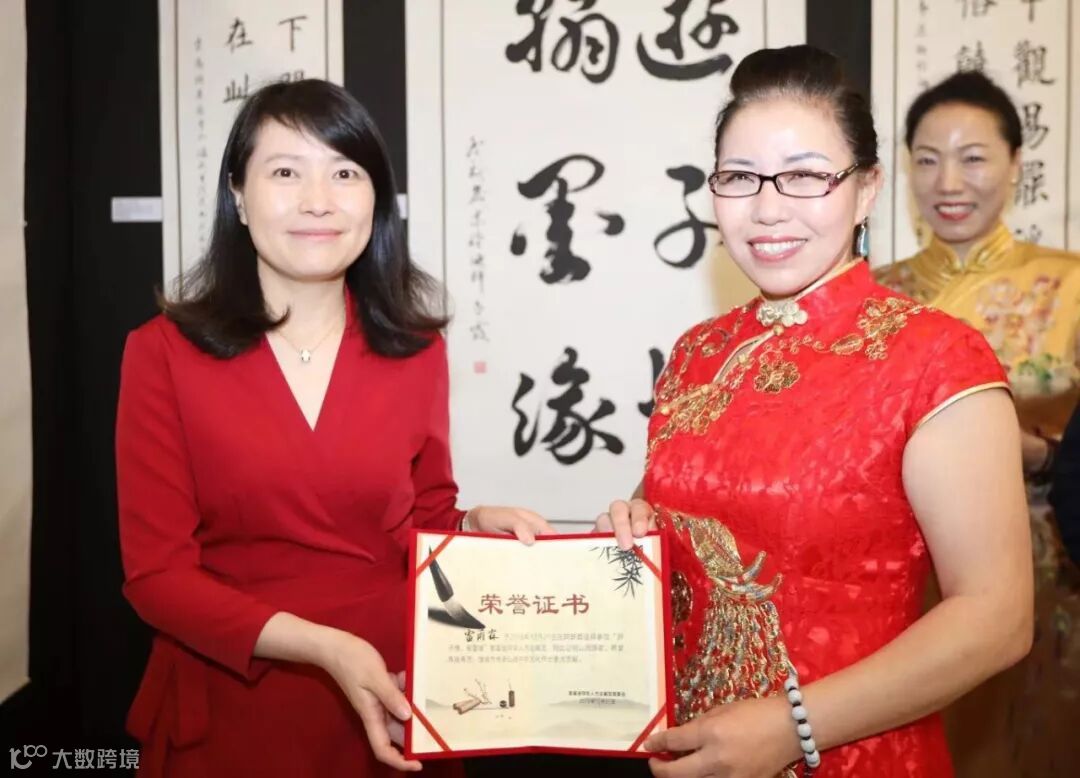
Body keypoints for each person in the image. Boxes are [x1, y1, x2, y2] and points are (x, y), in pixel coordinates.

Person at [598, 46, 1032, 777]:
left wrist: (792, 725)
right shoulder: (699, 351)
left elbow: (997, 617)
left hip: (856, 756)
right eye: (739, 177)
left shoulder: (935, 358)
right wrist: (631, 528)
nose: (768, 208)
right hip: (688, 754)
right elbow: (683, 517)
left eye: (804, 175)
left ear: (866, 190)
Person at [116, 79, 552, 778]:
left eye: (345, 173)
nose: (318, 200)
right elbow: (156, 577)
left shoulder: (416, 349)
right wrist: (323, 646)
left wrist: (470, 527)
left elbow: (422, 517)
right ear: (238, 195)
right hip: (238, 702)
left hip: (395, 692)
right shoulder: (163, 353)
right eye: (286, 172)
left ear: (376, 198)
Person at [875, 70, 1080, 777]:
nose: (949, 183)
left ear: (1016, 163)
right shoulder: (874, 295)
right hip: (898, 577)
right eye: (928, 160)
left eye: (973, 158)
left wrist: (1034, 452)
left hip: (1045, 574)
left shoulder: (1069, 285)